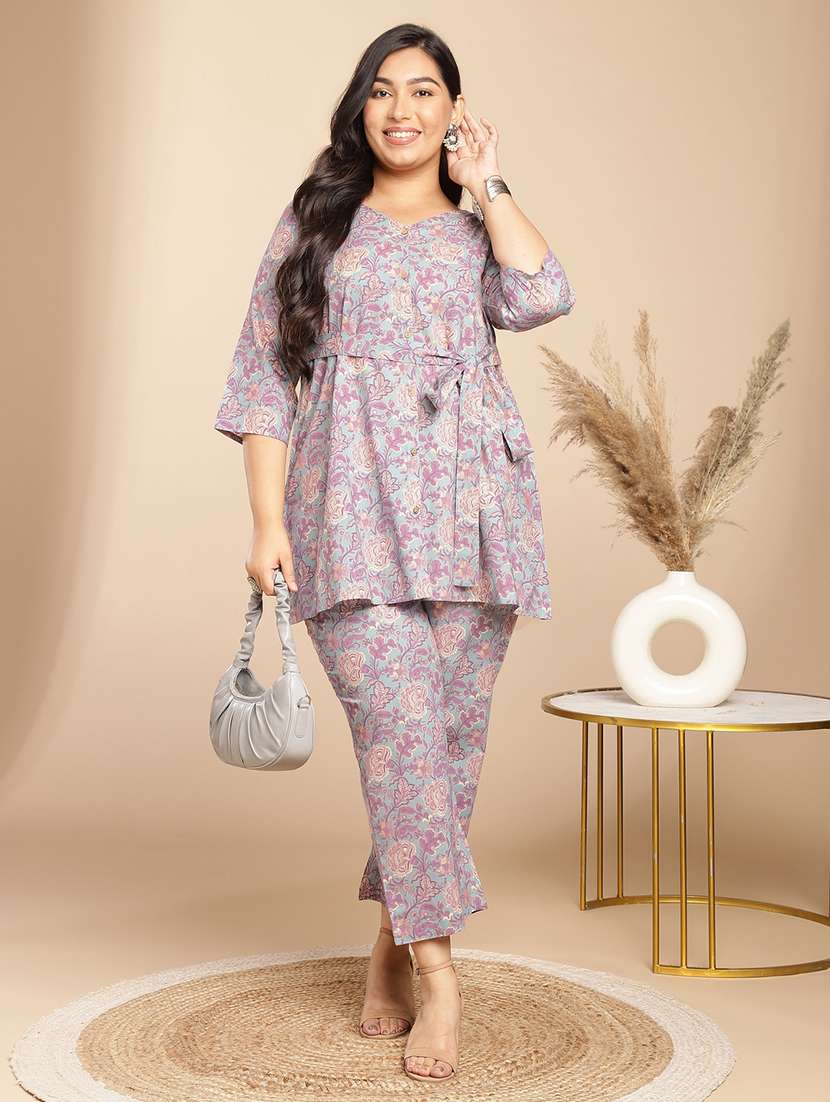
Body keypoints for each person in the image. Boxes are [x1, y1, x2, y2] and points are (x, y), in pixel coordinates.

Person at [213, 21, 575, 1084]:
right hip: (349, 513)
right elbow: (263, 377)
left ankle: (390, 942)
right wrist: (267, 522)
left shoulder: (475, 231)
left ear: (453, 112)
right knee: (402, 740)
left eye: (423, 91)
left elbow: (543, 293)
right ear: (359, 109)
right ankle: (441, 977)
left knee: (446, 750)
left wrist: (489, 180)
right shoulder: (316, 223)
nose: (400, 108)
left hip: (474, 515)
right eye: (381, 90)